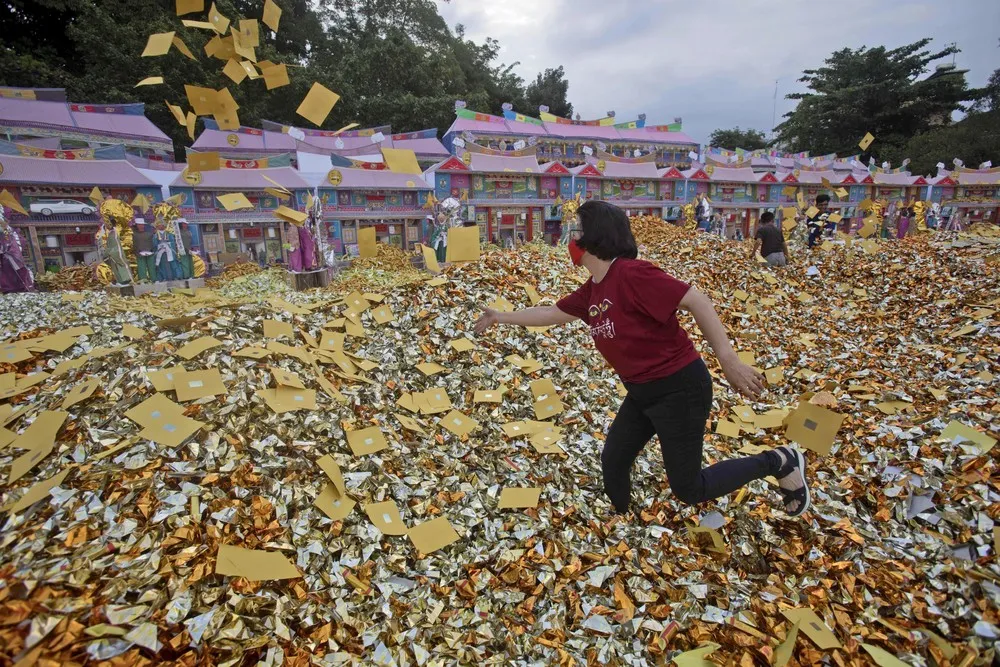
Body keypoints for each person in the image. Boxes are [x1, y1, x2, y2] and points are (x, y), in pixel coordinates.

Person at [474, 200, 811, 517]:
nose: (571, 238)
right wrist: (500, 317)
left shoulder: (632, 274)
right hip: (642, 392)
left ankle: (779, 460)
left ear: (595, 235)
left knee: (689, 488)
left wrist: (728, 359)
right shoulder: (593, 289)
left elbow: (696, 300)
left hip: (680, 389)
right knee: (614, 459)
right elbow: (550, 312)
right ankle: (621, 520)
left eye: (577, 230)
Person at [0, 207, 34, 293]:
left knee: (15, 269)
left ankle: (20, 287)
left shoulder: (6, 229)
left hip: (9, 252)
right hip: (7, 250)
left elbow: (8, 239)